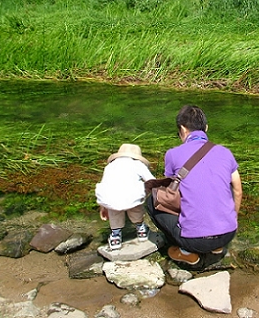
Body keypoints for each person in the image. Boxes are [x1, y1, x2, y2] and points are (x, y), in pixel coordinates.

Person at [147, 105, 242, 268]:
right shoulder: (225, 152)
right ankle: (217, 247)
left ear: (182, 129)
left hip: (194, 241)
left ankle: (186, 252)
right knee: (227, 189)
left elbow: (172, 193)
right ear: (206, 128)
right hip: (228, 234)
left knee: (151, 202)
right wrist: (229, 221)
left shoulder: (172, 154)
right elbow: (238, 191)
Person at [95, 143, 155, 250]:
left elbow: (104, 186)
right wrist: (148, 191)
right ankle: (141, 230)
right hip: (133, 196)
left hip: (111, 197)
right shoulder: (138, 165)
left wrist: (102, 206)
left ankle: (115, 236)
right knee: (136, 209)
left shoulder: (109, 166)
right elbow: (152, 181)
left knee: (114, 212)